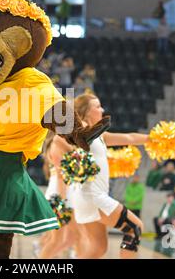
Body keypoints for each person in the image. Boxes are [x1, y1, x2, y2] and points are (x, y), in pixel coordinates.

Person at [70, 93, 147, 259]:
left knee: (98, 248)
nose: (102, 109)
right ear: (86, 111)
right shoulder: (81, 131)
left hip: (89, 197)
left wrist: (153, 139)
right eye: (97, 106)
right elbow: (68, 137)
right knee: (135, 228)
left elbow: (129, 138)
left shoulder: (99, 135)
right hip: (93, 197)